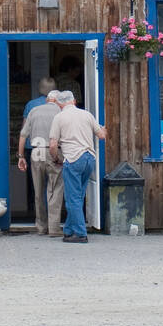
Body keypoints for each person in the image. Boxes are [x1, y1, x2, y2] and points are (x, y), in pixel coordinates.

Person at [49, 90, 106, 243]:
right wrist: (104, 129)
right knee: (78, 196)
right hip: (89, 158)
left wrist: (56, 158)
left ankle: (80, 234)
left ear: (59, 104)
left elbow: (53, 144)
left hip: (73, 158)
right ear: (74, 101)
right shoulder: (87, 114)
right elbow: (101, 135)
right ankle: (68, 231)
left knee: (72, 198)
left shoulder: (59, 117)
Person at [17, 89, 65, 236]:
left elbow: (23, 135)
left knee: (38, 192)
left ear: (47, 100)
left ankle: (41, 227)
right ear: (57, 101)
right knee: (55, 189)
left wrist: (21, 156)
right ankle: (54, 228)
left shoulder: (34, 110)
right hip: (53, 151)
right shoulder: (61, 112)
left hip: (36, 151)